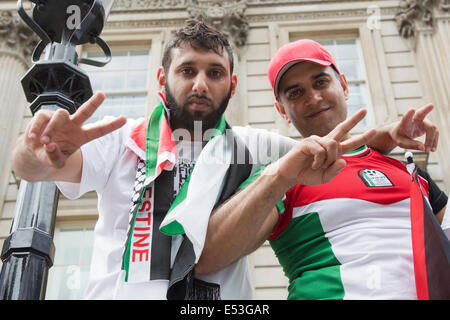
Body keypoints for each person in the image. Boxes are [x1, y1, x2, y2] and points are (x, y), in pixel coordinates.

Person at [10, 20, 440, 300]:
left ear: (232, 85)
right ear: (163, 78)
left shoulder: (254, 145)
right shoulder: (120, 137)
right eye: (187, 70)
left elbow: (327, 149)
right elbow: (34, 170)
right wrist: (34, 152)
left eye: (214, 73)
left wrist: (385, 137)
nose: (200, 84)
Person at [197, 39, 448, 300]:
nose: (313, 98)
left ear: (343, 86)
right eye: (295, 92)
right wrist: (279, 177)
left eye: (320, 82)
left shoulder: (408, 172)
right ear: (282, 111)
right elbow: (208, 258)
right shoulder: (282, 175)